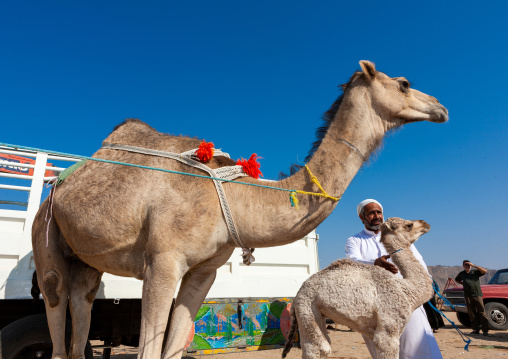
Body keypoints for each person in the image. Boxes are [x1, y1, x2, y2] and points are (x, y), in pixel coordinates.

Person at [345, 199, 442, 359]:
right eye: (371, 213)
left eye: (379, 212)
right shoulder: (355, 241)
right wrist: (374, 263)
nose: (376, 216)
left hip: (408, 299)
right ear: (362, 218)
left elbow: (417, 261)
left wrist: (426, 282)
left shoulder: (398, 235)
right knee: (385, 351)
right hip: (376, 305)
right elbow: (352, 262)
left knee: (419, 346)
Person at [455, 260, 489, 336]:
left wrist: (474, 265)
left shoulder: (475, 272)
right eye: (465, 265)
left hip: (477, 295)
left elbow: (484, 271)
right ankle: (475, 329)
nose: (467, 266)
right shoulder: (462, 274)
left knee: (481, 312)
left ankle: (485, 330)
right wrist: (462, 283)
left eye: (468, 265)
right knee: (471, 313)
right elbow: (457, 279)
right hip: (467, 295)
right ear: (463, 266)